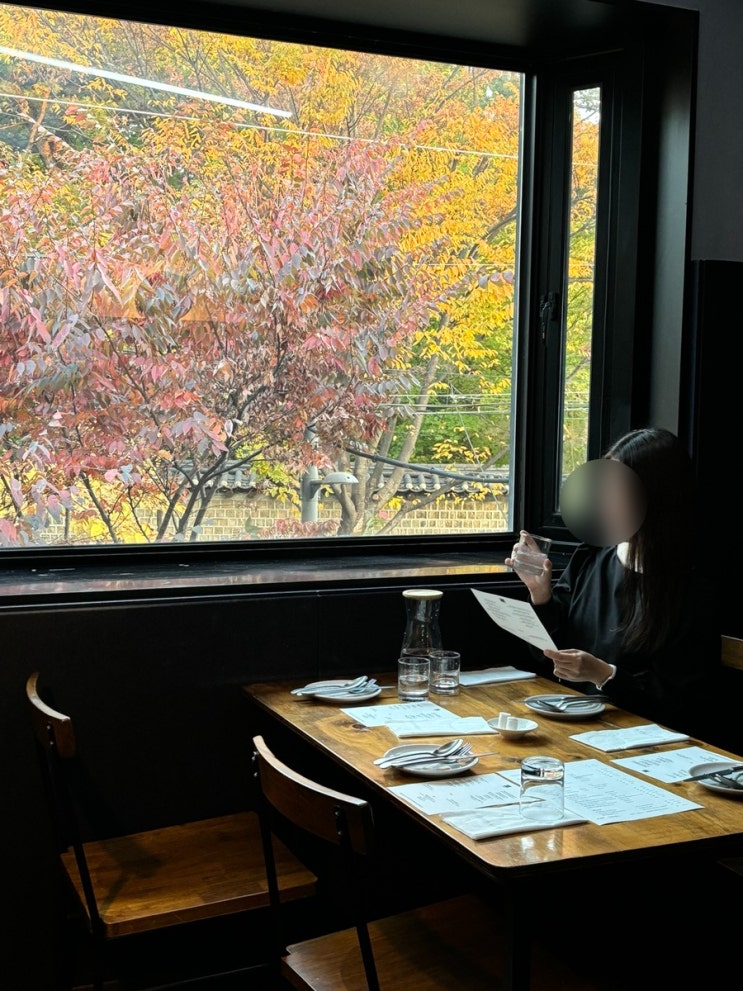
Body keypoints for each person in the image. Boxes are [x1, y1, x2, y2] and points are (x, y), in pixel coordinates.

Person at [506, 426, 722, 737]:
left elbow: (679, 699)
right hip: (574, 723)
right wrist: (540, 593)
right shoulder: (590, 558)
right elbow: (548, 656)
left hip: (647, 739)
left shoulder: (692, 586)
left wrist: (605, 674)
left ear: (657, 496)